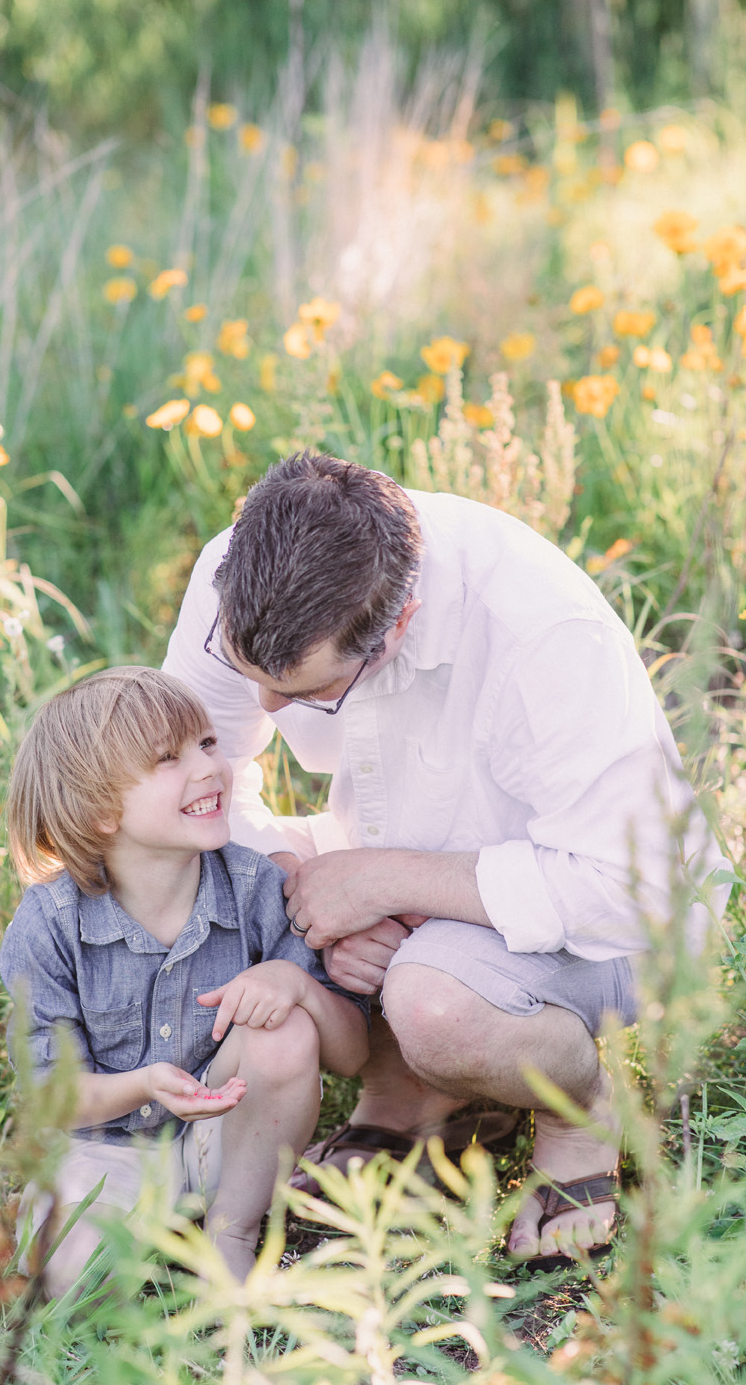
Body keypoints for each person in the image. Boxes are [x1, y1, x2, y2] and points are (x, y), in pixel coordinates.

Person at [162, 451, 727, 1267]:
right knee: (168, 855)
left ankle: (580, 1114)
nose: (268, 709)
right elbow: (203, 774)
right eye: (251, 676)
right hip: (398, 864)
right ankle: (412, 1099)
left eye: (307, 691)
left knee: (433, 1005)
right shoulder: (238, 572)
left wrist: (386, 881)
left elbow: (625, 885)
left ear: (396, 627)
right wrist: (304, 891)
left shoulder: (539, 632)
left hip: (614, 914)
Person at [0, 665, 368, 1294]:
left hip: (227, 1140)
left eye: (206, 743)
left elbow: (353, 1054)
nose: (208, 769)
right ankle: (77, 1213)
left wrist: (298, 985)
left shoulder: (255, 889)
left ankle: (231, 1233)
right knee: (61, 1273)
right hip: (103, 1147)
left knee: (282, 1031)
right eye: (168, 758)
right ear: (98, 812)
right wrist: (142, 1084)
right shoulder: (50, 924)